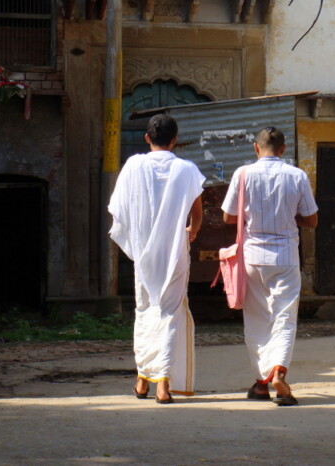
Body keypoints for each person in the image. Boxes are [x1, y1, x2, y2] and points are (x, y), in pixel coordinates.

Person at [108, 114, 204, 404]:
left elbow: (118, 209)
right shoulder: (187, 169)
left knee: (145, 311)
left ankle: (142, 380)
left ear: (147, 138)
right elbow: (196, 212)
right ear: (175, 140)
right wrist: (191, 230)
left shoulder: (134, 165)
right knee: (170, 314)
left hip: (144, 256)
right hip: (174, 255)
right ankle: (163, 383)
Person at [221, 126, 318, 406]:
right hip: (286, 256)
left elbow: (229, 216)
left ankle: (261, 384)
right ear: (284, 150)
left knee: (257, 321)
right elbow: (312, 221)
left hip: (252, 258)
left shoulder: (243, 174)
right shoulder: (297, 175)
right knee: (284, 318)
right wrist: (289, 218)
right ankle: (279, 371)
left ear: (256, 148)